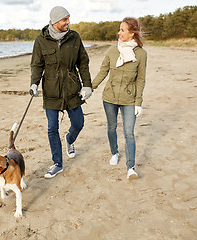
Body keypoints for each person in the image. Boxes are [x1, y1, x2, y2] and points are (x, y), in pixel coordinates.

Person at [30, 6, 92, 179]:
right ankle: (57, 163)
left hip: (72, 89)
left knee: (79, 123)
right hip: (51, 92)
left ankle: (70, 140)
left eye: (68, 18)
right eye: (65, 20)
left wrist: (87, 85)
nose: (68, 22)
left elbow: (83, 62)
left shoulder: (74, 37)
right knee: (52, 128)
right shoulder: (41, 41)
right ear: (55, 21)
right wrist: (34, 84)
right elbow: (37, 65)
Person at [92, 17, 147, 180]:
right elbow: (103, 72)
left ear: (132, 33)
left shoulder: (141, 54)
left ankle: (131, 167)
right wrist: (90, 88)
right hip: (109, 97)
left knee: (129, 133)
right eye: (119, 29)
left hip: (129, 100)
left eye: (122, 30)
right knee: (111, 127)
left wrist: (138, 102)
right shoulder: (111, 51)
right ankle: (114, 152)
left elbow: (141, 79)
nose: (119, 33)